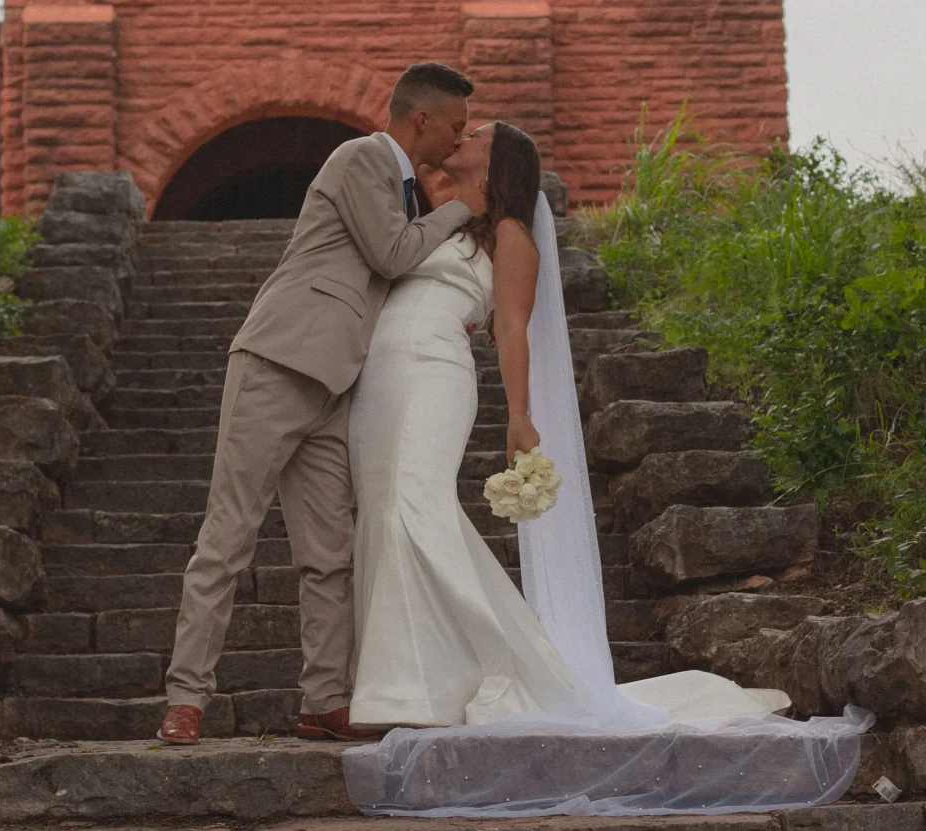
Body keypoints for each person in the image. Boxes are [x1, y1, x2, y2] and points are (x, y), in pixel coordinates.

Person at [341, 122, 873, 815]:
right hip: (382, 378)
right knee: (383, 512)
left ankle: (486, 670)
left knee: (416, 506)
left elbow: (510, 330)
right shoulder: (442, 219)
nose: (464, 131)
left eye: (476, 130)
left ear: (499, 161)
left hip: (435, 375)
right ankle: (401, 681)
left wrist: (521, 415)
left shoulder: (513, 239)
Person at [157, 62, 488, 745]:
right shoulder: (362, 156)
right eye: (455, 126)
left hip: (338, 384)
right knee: (228, 536)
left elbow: (400, 279)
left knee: (330, 554)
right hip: (279, 362)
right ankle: (186, 698)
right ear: (419, 118)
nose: (458, 142)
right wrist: (466, 209)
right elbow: (393, 254)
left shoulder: (408, 191)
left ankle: (325, 698)